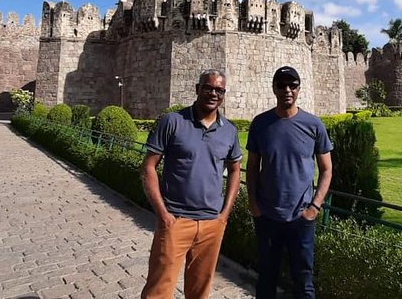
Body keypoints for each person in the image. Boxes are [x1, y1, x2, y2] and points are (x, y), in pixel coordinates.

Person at [140, 69, 242, 299]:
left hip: (211, 224)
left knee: (200, 292)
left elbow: (235, 169)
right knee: (159, 290)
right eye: (208, 88)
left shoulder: (229, 131)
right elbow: (148, 167)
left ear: (224, 94)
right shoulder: (173, 121)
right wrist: (163, 214)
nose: (213, 94)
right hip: (176, 220)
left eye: (219, 90)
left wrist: (224, 214)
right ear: (197, 89)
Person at [246, 66, 333, 299]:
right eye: (281, 85)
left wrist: (314, 207)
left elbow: (327, 169)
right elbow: (252, 166)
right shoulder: (260, 123)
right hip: (268, 216)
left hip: (301, 218)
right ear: (274, 88)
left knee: (303, 281)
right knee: (266, 277)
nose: (287, 90)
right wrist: (253, 203)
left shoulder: (313, 125)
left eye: (292, 85)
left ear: (298, 89)